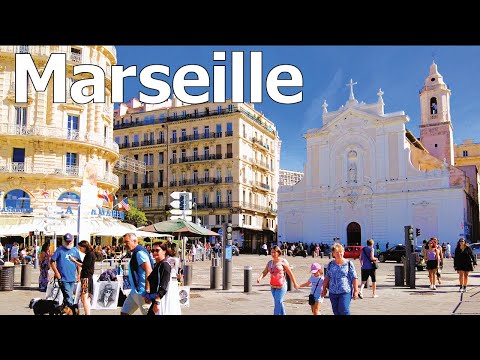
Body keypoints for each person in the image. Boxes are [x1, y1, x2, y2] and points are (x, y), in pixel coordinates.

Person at [257, 245, 299, 315]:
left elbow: (290, 273)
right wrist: (260, 278)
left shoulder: (283, 261)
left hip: (282, 286)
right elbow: (265, 272)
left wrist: (295, 283)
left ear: (278, 253)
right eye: (272, 252)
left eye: (274, 252)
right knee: (279, 302)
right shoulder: (270, 262)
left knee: (277, 302)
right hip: (273, 286)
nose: (273, 254)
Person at [321, 243, 359, 315]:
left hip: (345, 291)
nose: (340, 254)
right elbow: (327, 278)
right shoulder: (330, 264)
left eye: (341, 252)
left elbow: (354, 277)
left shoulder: (349, 263)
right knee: (336, 312)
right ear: (333, 254)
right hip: (333, 292)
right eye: (337, 253)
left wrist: (356, 291)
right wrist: (324, 289)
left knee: (344, 309)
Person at [120, 232, 153, 315]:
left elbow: (148, 271)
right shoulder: (135, 252)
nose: (125, 244)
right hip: (135, 291)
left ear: (134, 241)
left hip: (142, 291)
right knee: (124, 313)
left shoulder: (139, 253)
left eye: (127, 242)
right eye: (124, 242)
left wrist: (147, 290)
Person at [146, 242, 181, 315]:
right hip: (157, 299)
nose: (154, 253)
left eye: (157, 250)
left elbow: (164, 285)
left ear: (164, 251)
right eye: (152, 251)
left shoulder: (165, 265)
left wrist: (157, 301)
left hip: (162, 302)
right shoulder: (158, 264)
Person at [50, 233, 81, 307]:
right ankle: (72, 310)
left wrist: (79, 274)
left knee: (67, 295)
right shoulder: (59, 250)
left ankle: (65, 310)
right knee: (68, 295)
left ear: (73, 240)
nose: (68, 243)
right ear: (64, 241)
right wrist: (56, 273)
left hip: (72, 277)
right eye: (67, 241)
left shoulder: (75, 250)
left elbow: (78, 263)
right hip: (63, 278)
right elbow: (52, 261)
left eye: (70, 241)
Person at [69, 240, 95, 315]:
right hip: (87, 277)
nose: (80, 250)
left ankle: (87, 313)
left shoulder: (89, 254)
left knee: (84, 298)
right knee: (85, 298)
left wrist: (74, 261)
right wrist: (78, 260)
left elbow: (84, 266)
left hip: (86, 277)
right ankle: (87, 313)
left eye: (80, 248)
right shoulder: (90, 254)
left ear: (84, 247)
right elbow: (85, 264)